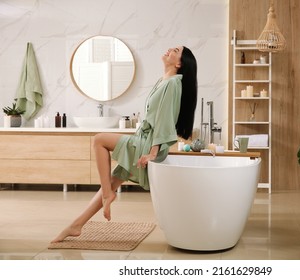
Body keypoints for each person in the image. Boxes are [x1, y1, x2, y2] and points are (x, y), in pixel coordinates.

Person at [51, 46, 197, 243]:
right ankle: (76, 225)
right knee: (111, 182)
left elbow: (164, 120)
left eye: (176, 50)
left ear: (179, 63)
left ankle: (107, 197)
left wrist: (153, 153)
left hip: (149, 145)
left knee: (99, 140)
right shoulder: (163, 81)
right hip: (146, 141)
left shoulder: (172, 84)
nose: (169, 49)